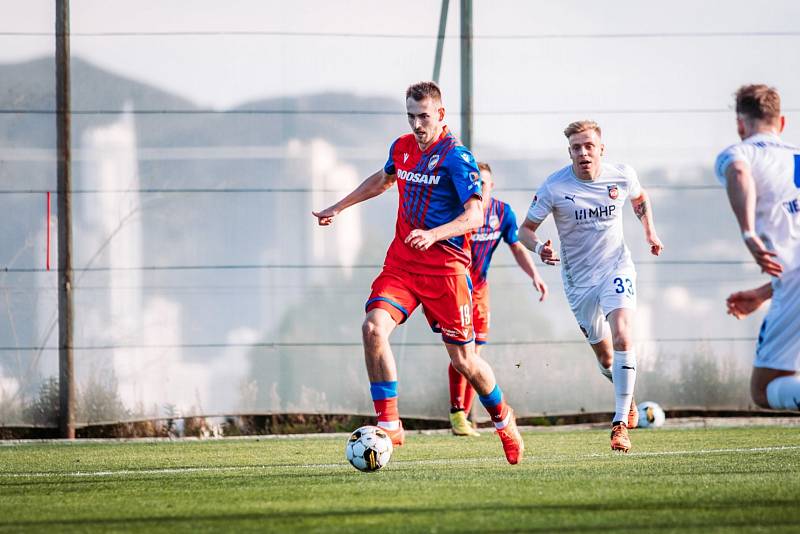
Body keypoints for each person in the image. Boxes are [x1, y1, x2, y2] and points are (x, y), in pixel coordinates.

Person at [312, 81, 524, 464]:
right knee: (372, 328)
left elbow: (474, 215)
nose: (417, 124)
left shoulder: (458, 159)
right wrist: (338, 207)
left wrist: (435, 234)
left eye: (424, 116)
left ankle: (503, 419)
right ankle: (390, 423)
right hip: (403, 266)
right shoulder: (403, 148)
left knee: (465, 362)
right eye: (411, 116)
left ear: (440, 115)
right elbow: (382, 180)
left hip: (446, 272)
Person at [518, 120, 664, 452]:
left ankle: (619, 426)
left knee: (624, 333)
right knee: (606, 358)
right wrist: (540, 247)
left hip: (616, 267)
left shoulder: (621, 175)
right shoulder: (554, 187)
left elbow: (640, 200)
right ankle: (625, 393)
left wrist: (650, 233)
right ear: (569, 151)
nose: (583, 153)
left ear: (601, 148)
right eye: (576, 148)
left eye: (588, 146)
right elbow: (524, 230)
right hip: (578, 282)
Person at [715, 84, 800, 411]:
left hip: (792, 282)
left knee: (764, 389)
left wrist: (748, 232)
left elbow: (738, 173)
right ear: (782, 123)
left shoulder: (741, 154)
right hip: (788, 281)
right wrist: (765, 293)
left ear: (740, 125)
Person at [448, 162, 548, 436]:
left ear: (492, 186)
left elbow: (516, 247)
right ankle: (458, 413)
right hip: (453, 287)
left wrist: (534, 276)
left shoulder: (502, 213)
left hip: (479, 290)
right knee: (462, 353)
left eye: (484, 183)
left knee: (474, 353)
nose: (479, 187)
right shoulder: (458, 210)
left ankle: (462, 416)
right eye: (475, 182)